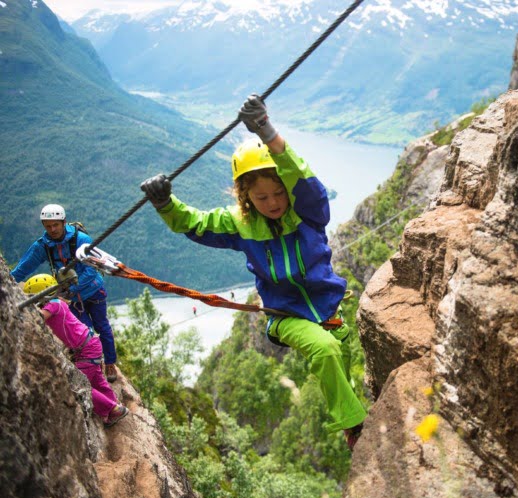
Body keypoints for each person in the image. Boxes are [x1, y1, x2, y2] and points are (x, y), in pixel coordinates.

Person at [140, 94, 366, 450]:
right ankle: (355, 426)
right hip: (284, 315)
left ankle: (353, 416)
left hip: (328, 311)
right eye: (261, 198)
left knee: (339, 356)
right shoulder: (239, 224)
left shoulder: (307, 213)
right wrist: (165, 203)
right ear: (245, 197)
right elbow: (193, 224)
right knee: (324, 351)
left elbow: (304, 180)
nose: (274, 203)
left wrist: (267, 132)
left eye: (278, 193)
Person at [12, 204, 120, 382]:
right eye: (48, 226)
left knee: (102, 326)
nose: (52, 229)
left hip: (92, 291)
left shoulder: (81, 239)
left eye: (55, 225)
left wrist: (71, 290)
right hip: (72, 297)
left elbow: (91, 270)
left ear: (63, 222)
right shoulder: (43, 246)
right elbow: (23, 268)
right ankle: (95, 367)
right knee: (85, 333)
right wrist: (7, 282)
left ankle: (110, 362)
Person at [23, 274, 129, 428]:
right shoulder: (59, 302)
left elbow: (39, 316)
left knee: (78, 385)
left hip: (85, 349)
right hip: (90, 344)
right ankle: (112, 402)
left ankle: (113, 410)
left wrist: (27, 306)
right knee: (97, 380)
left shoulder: (52, 305)